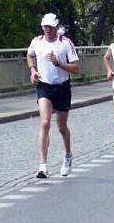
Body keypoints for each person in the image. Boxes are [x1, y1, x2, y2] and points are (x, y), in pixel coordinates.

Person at [27, 13, 80, 178]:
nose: (47, 29)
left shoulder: (65, 43)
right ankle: (43, 166)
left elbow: (76, 68)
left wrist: (58, 63)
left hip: (62, 87)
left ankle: (68, 155)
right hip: (44, 86)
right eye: (45, 26)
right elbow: (30, 55)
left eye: (50, 26)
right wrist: (33, 70)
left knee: (62, 127)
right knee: (44, 123)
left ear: (57, 27)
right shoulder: (37, 41)